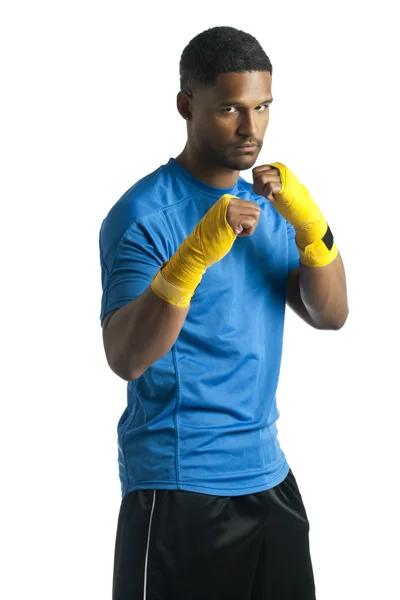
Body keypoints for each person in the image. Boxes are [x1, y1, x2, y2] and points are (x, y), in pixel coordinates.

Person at [99, 25, 348, 600]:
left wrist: (311, 226)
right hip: (179, 486)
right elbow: (127, 356)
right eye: (231, 109)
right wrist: (192, 260)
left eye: (263, 108)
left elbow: (331, 314)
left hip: (270, 477)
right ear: (187, 105)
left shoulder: (270, 205)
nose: (251, 128)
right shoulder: (142, 214)